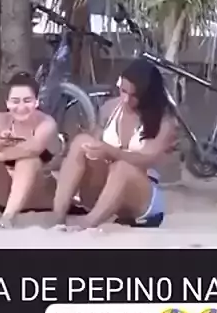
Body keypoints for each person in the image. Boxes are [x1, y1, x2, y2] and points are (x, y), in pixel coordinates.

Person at [51, 59, 177, 229]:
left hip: (140, 196)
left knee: (122, 167)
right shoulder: (110, 108)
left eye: (134, 96)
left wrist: (110, 151)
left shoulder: (164, 121)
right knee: (82, 142)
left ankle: (88, 222)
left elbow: (146, 159)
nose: (125, 99)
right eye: (123, 91)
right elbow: (95, 145)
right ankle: (58, 216)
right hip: (105, 190)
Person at [0, 72, 61, 226]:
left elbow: (31, 150)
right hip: (3, 194)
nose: (21, 107)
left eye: (27, 101)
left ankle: (8, 218)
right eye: (15, 101)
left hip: (40, 195)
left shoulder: (46, 124)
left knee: (27, 161)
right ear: (7, 103)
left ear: (36, 102)